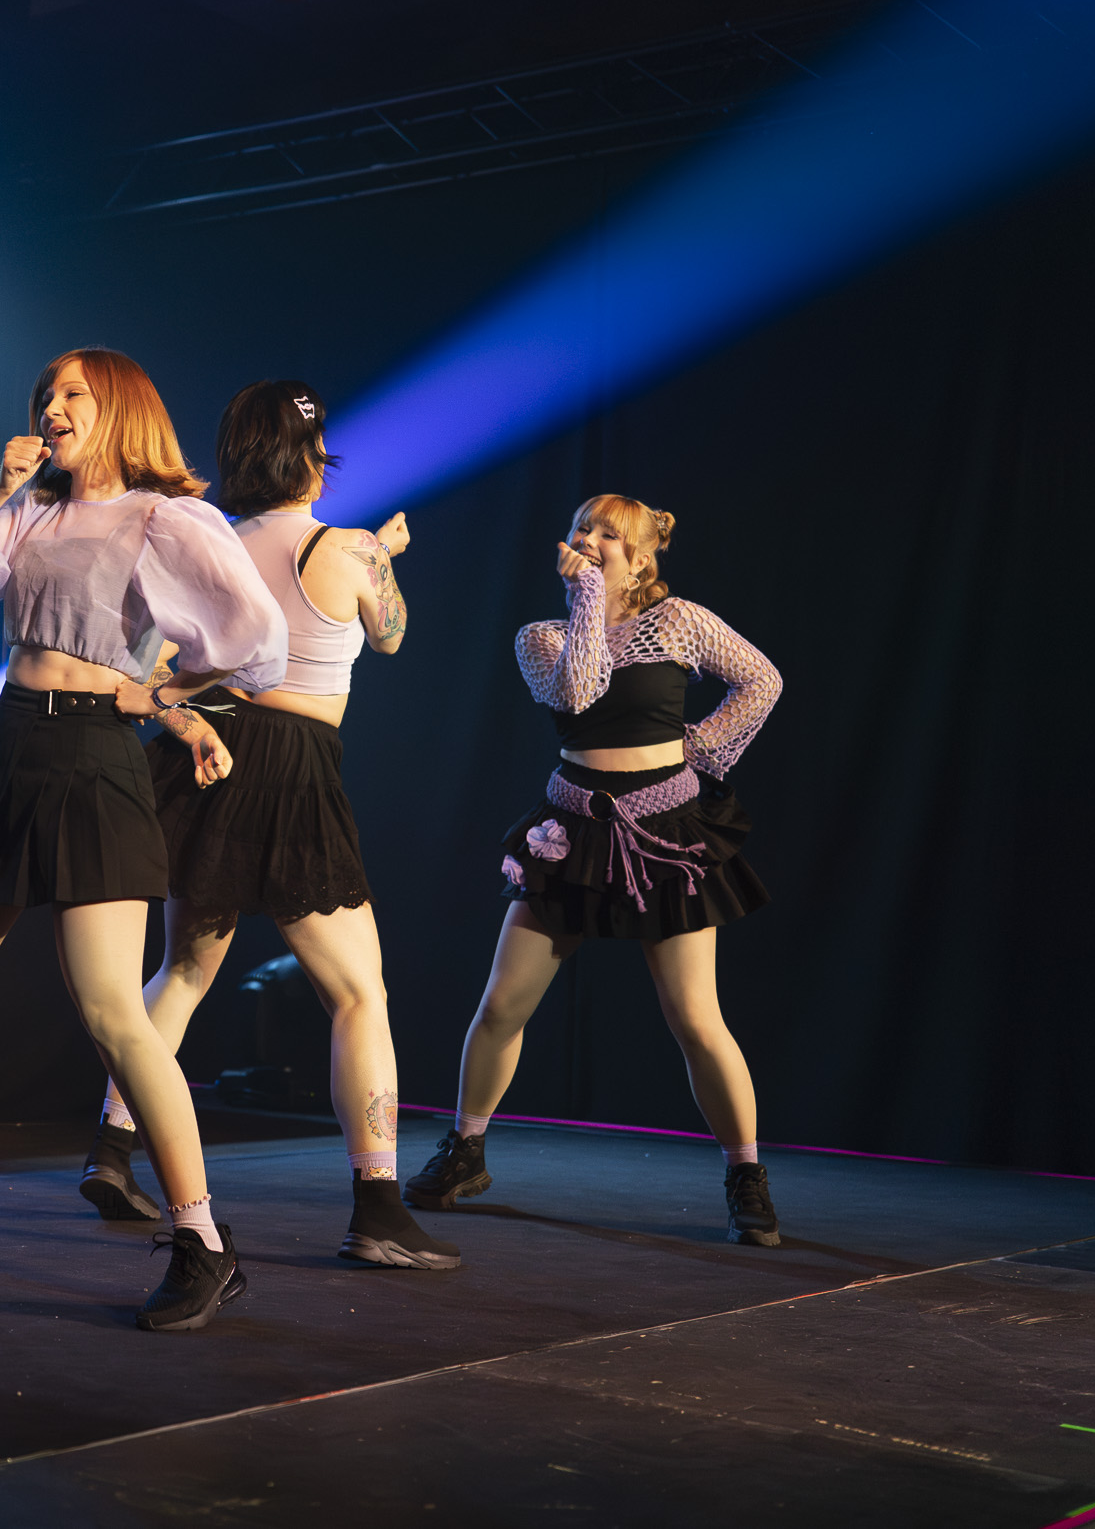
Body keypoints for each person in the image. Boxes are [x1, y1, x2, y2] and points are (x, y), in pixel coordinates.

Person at [0, 348, 287, 1333]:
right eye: (44, 394)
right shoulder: (29, 509)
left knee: (113, 1014)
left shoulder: (162, 516)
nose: (51, 406)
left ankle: (202, 1240)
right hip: (10, 748)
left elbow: (256, 636)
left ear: (118, 407)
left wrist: (163, 693)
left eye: (72, 393)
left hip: (95, 758)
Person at [78, 380, 459, 1272]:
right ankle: (377, 1204)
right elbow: (392, 634)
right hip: (291, 768)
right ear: (313, 460)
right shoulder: (348, 547)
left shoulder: (206, 542)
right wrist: (384, 555)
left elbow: (151, 664)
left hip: (204, 753)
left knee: (182, 970)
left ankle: (111, 1147)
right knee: (358, 994)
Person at [405, 496, 786, 1244]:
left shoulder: (677, 621)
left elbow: (762, 680)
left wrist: (700, 748)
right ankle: (466, 1149)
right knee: (501, 1005)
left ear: (642, 559)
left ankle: (746, 1175)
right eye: (584, 527)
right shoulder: (542, 636)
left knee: (695, 1017)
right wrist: (586, 594)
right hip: (572, 830)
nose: (591, 539)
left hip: (665, 834)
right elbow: (579, 692)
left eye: (611, 534)